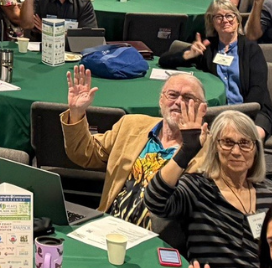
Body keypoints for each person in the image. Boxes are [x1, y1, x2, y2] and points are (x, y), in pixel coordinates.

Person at [148, 107, 270, 268]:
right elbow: (154, 200)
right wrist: (186, 151)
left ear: (256, 149)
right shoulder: (198, 188)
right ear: (215, 147)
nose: (236, 151)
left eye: (245, 143)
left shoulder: (267, 195)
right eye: (227, 143)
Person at [64, 62, 209, 228]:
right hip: (108, 226)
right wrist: (76, 113)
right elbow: (84, 154)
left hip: (160, 237)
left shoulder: (210, 151)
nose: (178, 102)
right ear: (161, 100)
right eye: (172, 95)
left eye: (188, 98)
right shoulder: (131, 125)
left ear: (202, 108)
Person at [162, 0, 272, 136]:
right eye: (219, 17)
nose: (225, 20)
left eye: (229, 15)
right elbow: (164, 60)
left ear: (237, 20)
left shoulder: (251, 49)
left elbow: (258, 89)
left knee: (244, 139)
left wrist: (239, 118)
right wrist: (187, 55)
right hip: (215, 112)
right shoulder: (208, 47)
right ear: (212, 22)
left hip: (252, 111)